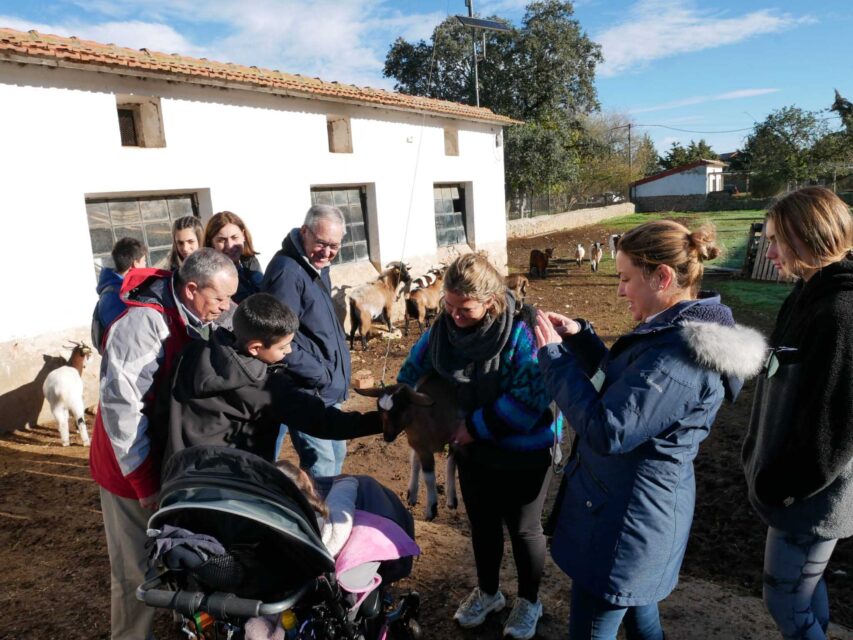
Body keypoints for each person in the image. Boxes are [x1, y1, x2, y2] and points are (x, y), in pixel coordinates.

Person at [535, 220, 765, 640]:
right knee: (640, 619)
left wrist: (553, 360)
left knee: (594, 624)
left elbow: (611, 429)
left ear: (661, 277)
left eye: (625, 278)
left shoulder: (677, 355)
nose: (620, 291)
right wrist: (581, 343)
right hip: (634, 515)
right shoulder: (669, 334)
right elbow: (627, 393)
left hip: (623, 526)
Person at [396, 252, 558, 640]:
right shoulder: (442, 332)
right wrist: (401, 398)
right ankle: (488, 594)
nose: (453, 316)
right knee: (482, 525)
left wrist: (476, 425)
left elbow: (531, 398)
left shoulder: (522, 330)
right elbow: (412, 369)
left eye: (464, 309)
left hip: (524, 448)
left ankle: (529, 602)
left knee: (523, 529)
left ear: (491, 302)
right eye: (448, 306)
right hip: (473, 449)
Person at [89, 248, 238, 640]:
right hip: (129, 465)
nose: (226, 308)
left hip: (170, 460)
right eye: (220, 299)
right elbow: (122, 407)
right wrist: (143, 481)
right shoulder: (144, 324)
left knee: (177, 548)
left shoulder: (199, 310)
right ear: (191, 289)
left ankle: (182, 620)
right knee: (134, 568)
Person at [742, 187, 853, 640]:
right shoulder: (807, 294)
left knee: (784, 600)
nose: (768, 252)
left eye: (775, 240)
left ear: (806, 237)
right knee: (804, 596)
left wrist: (782, 487)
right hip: (797, 494)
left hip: (809, 499)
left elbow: (837, 426)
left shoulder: (840, 312)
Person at [165, 293, 381, 463]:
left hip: (180, 481)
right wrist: (383, 421)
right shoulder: (266, 387)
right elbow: (323, 422)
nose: (289, 351)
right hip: (231, 490)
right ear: (255, 348)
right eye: (282, 346)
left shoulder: (193, 352)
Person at [262, 204, 350, 476]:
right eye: (321, 243)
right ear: (304, 232)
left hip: (325, 388)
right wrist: (319, 373)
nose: (327, 252)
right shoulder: (287, 272)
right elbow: (277, 337)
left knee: (336, 456)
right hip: (306, 389)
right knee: (322, 466)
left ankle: (328, 513)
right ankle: (317, 517)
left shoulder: (316, 266)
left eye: (334, 246)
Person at [93, 237, 147, 352]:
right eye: (144, 261)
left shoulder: (114, 289)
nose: (146, 265)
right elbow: (129, 338)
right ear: (135, 264)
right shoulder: (119, 297)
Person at [204, 210, 263, 303]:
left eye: (234, 237)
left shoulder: (250, 262)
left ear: (243, 235)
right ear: (211, 242)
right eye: (221, 240)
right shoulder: (210, 275)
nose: (230, 245)